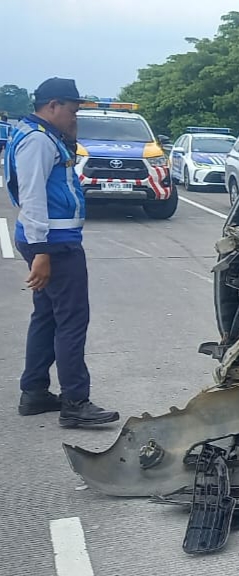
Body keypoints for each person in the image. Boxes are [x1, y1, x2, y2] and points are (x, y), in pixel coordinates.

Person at [4, 77, 119, 428]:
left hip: (50, 240)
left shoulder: (41, 136)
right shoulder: (38, 141)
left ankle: (35, 391)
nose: (75, 118)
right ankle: (75, 402)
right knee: (71, 320)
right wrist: (41, 251)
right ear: (52, 105)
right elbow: (33, 196)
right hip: (54, 244)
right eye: (72, 110)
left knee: (47, 316)